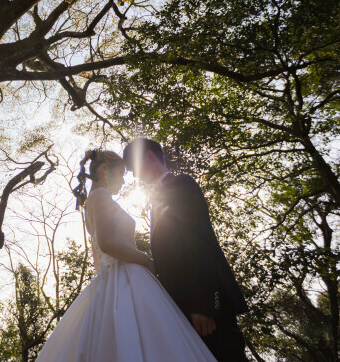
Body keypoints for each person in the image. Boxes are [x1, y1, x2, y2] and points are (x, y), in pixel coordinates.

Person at [35, 149, 216, 362]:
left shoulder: (91, 202)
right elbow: (106, 243)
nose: (122, 181)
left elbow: (97, 259)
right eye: (121, 174)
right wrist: (147, 261)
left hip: (113, 276)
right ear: (105, 170)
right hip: (126, 275)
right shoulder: (101, 196)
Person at [123, 138, 249, 362]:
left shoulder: (182, 184)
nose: (135, 175)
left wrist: (203, 305)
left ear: (150, 157)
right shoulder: (155, 201)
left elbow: (197, 242)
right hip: (182, 308)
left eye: (134, 167)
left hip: (206, 309)